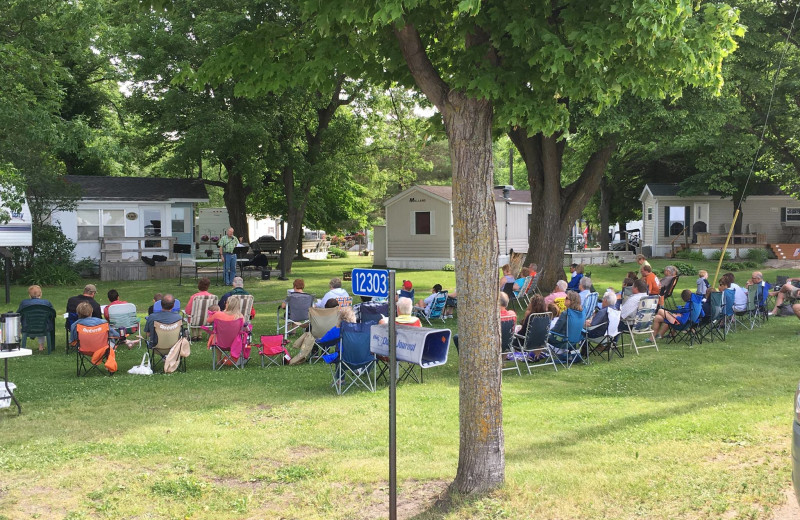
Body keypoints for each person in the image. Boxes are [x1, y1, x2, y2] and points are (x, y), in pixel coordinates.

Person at [17, 285, 55, 352]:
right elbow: (53, 314)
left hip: (27, 327)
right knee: (42, 321)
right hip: (44, 327)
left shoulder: (24, 303)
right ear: (41, 294)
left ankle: (18, 344)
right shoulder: (46, 303)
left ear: (29, 295)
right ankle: (41, 346)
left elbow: (18, 314)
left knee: (39, 321)